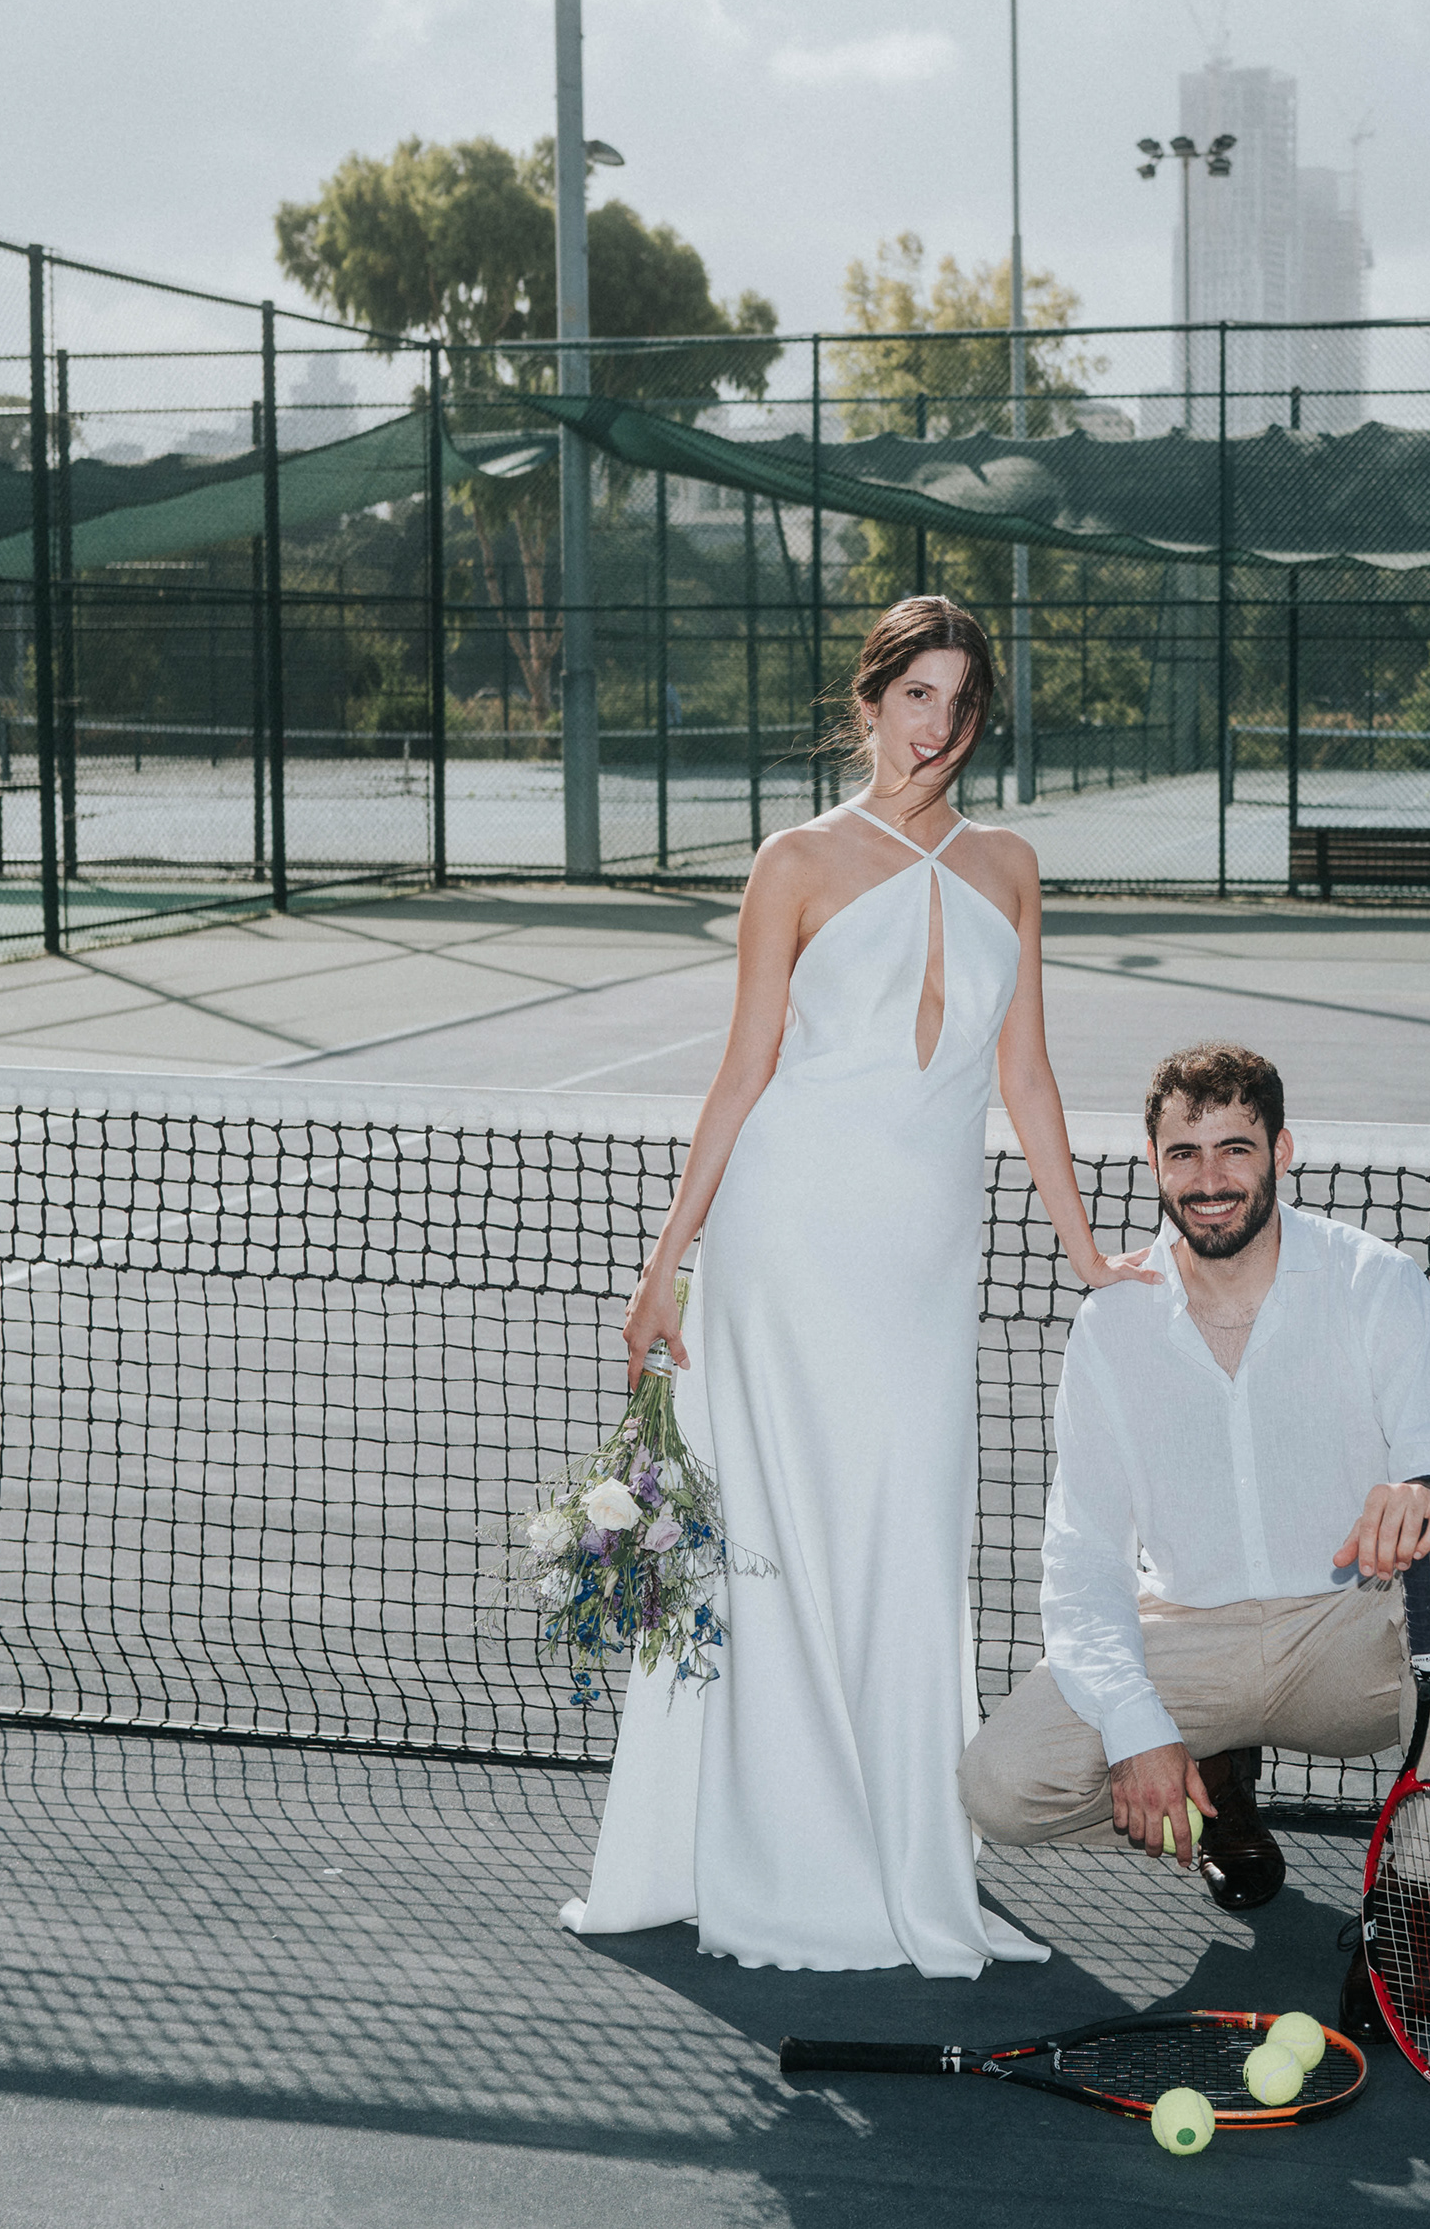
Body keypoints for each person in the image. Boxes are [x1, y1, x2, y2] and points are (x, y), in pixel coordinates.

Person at [564, 593, 1144, 1976]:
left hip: (924, 1262)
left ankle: (892, 1843)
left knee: (903, 1533)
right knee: (777, 1534)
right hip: (789, 1234)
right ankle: (781, 1852)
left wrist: (1086, 1250)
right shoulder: (798, 860)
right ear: (871, 701)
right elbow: (744, 1067)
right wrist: (665, 1266)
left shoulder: (1011, 864)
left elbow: (1025, 1074)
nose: (939, 725)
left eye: (962, 701)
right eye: (917, 695)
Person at [959, 1040, 1430, 1918]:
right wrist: (1140, 1730)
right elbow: (1085, 1558)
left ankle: (1411, 1900)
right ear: (1153, 1163)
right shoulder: (1111, 1327)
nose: (1209, 1178)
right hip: (1190, 1635)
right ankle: (1209, 1785)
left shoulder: (1373, 1281)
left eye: (1235, 1148)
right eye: (1184, 1152)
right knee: (999, 1785)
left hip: (1347, 1634)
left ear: (1280, 1151)